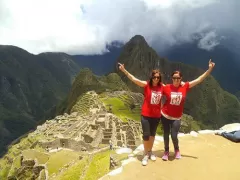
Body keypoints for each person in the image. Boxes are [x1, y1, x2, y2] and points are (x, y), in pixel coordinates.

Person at [161, 59, 215, 161]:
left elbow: (199, 80)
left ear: (181, 79)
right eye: (174, 78)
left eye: (178, 78)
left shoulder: (185, 86)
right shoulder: (167, 87)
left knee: (173, 135)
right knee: (165, 134)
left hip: (176, 117)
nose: (176, 80)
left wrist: (210, 69)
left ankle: (177, 150)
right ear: (172, 78)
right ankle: (166, 152)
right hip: (165, 115)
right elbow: (154, 86)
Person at [118, 62, 163, 166]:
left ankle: (150, 151)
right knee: (146, 135)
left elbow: (172, 90)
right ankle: (145, 154)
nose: (156, 79)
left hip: (156, 116)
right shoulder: (146, 85)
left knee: (152, 135)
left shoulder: (162, 87)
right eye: (154, 77)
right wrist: (124, 70)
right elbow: (134, 80)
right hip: (146, 115)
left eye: (158, 77)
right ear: (151, 77)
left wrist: (181, 85)